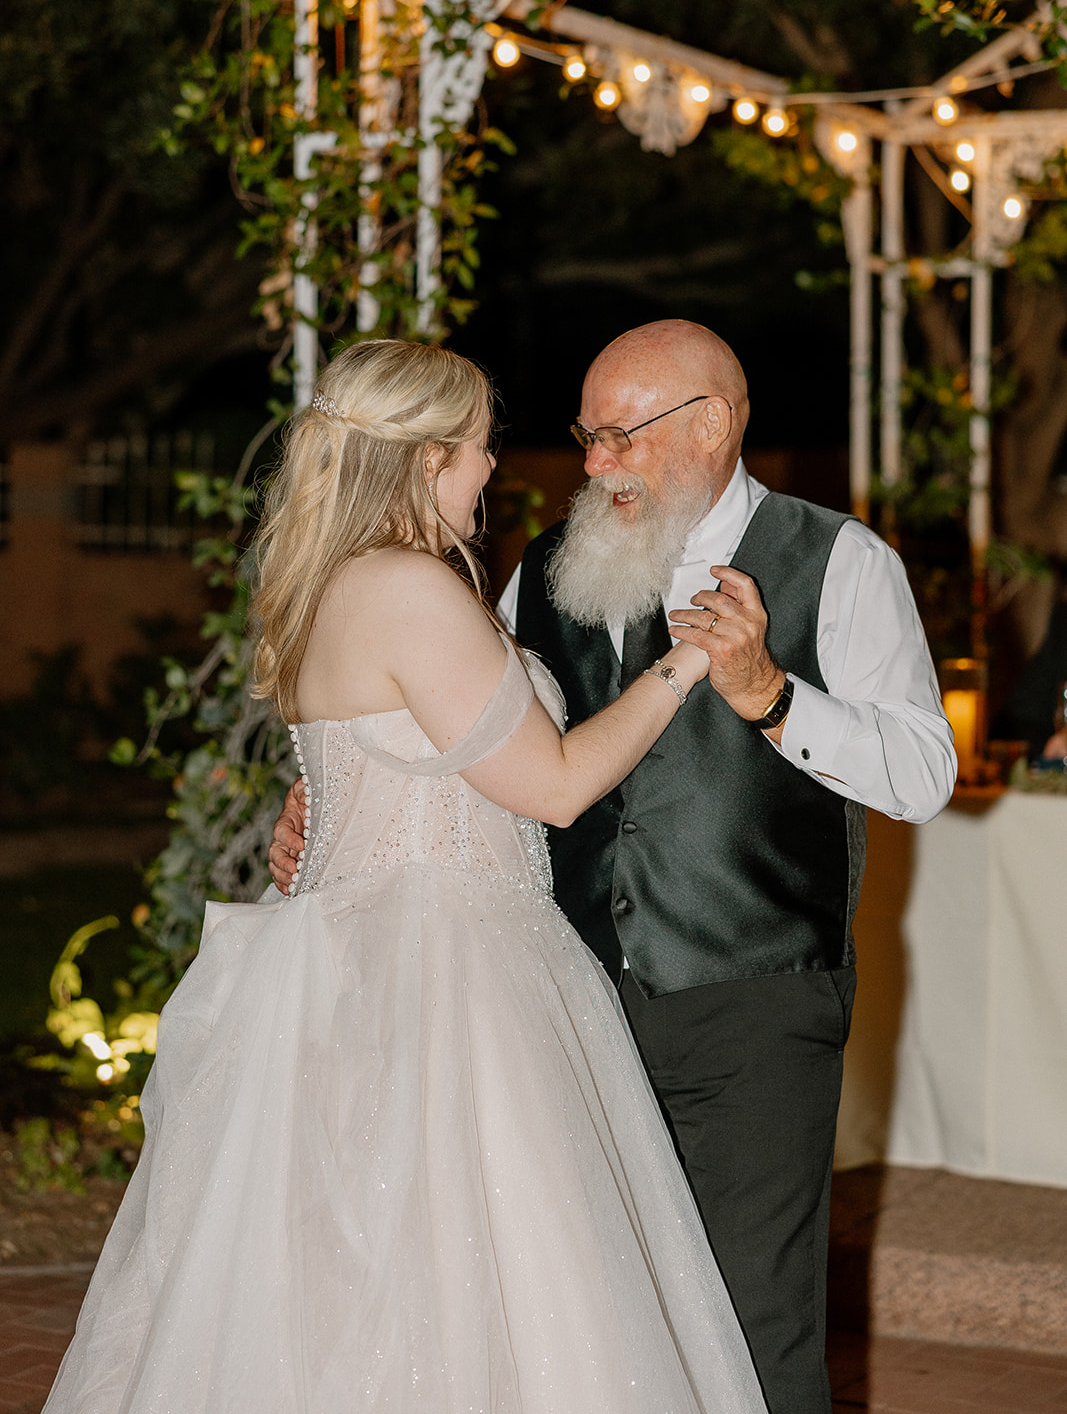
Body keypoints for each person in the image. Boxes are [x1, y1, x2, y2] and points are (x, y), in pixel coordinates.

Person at [45, 338, 767, 1414]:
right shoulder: (407, 588)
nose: (492, 470)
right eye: (479, 448)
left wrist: (311, 817)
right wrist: (687, 662)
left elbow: (374, 763)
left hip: (346, 955)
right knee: (466, 1273)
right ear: (428, 458)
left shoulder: (322, 585)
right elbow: (554, 783)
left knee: (339, 1281)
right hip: (443, 962)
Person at [269, 318, 956, 1414]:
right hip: (563, 1003)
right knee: (601, 1322)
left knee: (749, 1319)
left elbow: (923, 772)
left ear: (714, 424)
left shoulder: (836, 560)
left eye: (621, 436)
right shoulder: (536, 567)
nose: (594, 464)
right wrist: (332, 803)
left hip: (752, 997)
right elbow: (462, 747)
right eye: (586, 436)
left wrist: (773, 698)